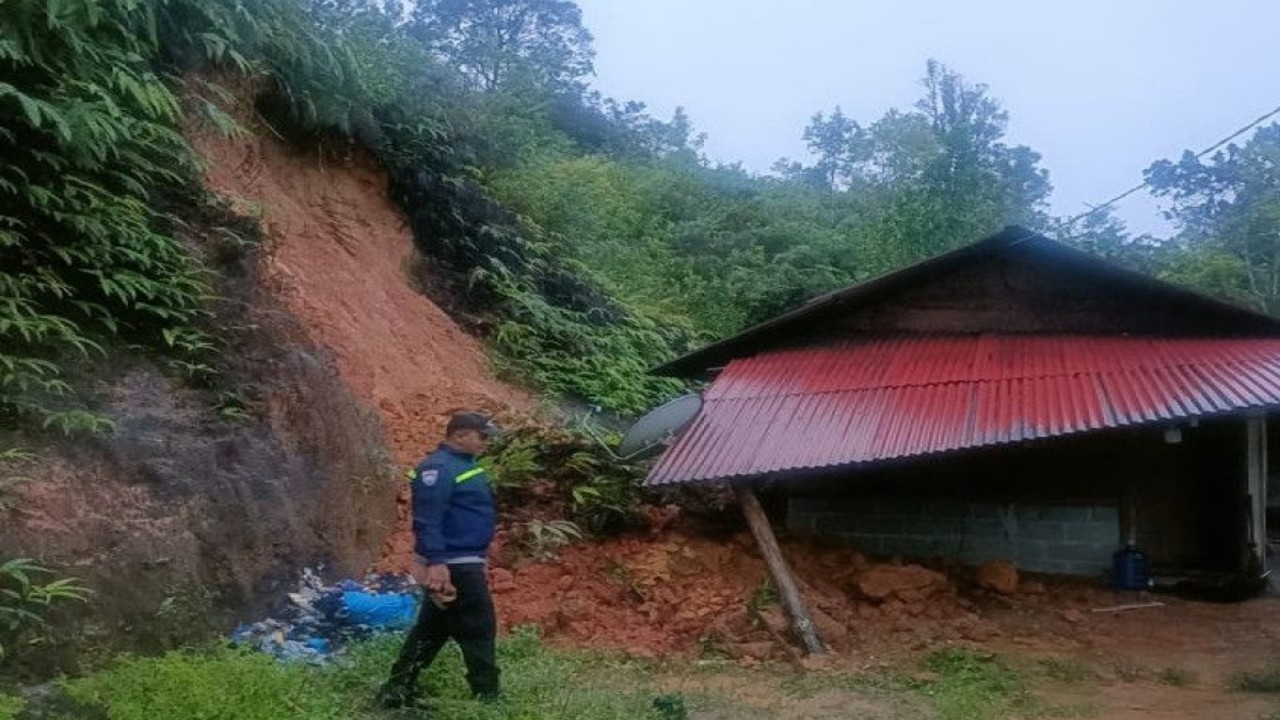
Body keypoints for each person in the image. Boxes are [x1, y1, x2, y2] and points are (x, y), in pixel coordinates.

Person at [376, 411, 502, 709]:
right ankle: (489, 697)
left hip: (460, 559)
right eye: (481, 437)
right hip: (453, 563)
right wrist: (436, 562)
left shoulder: (460, 466)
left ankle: (396, 690)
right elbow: (428, 519)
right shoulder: (439, 469)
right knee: (479, 626)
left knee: (432, 629)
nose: (485, 443)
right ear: (459, 435)